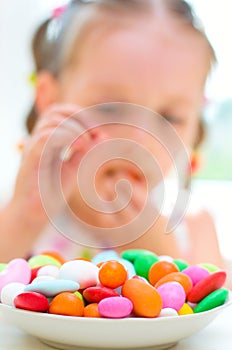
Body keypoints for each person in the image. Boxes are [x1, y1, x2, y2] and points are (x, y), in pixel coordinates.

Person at [0, 0, 225, 269]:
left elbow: (211, 307)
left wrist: (160, 257)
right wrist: (23, 221)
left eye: (170, 117)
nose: (139, 141)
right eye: (111, 109)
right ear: (51, 100)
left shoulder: (194, 227)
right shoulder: (14, 209)